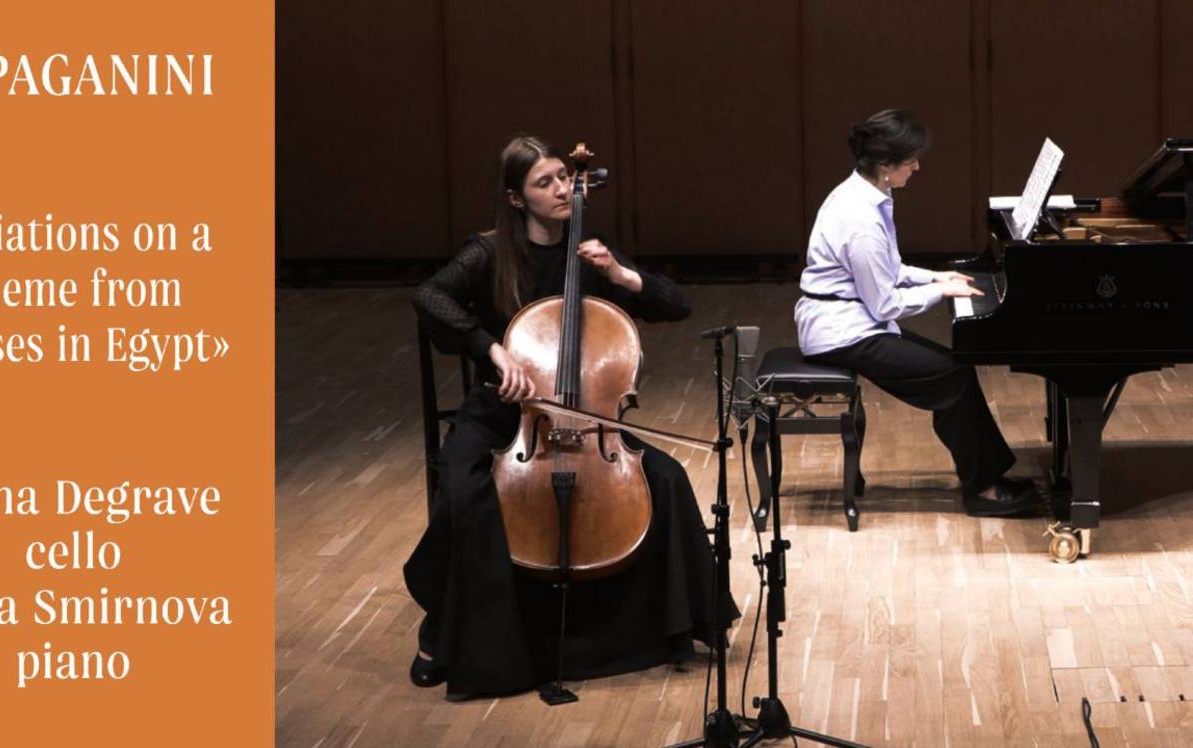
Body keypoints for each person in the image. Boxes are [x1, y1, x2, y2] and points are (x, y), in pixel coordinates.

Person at [405, 135, 735, 698]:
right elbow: (429, 297)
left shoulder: (589, 253)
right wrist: (492, 349)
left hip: (587, 419)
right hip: (504, 414)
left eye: (564, 177)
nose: (562, 189)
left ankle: (676, 624)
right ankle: (440, 632)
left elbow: (676, 304)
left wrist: (620, 274)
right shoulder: (488, 254)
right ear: (517, 199)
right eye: (545, 182)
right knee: (463, 493)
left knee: (667, 478)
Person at [795, 109, 1038, 517]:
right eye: (911, 160)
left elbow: (889, 268)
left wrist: (937, 276)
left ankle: (987, 478)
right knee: (952, 375)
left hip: (855, 321)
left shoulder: (867, 195)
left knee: (955, 370)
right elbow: (885, 303)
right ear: (885, 166)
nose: (917, 166)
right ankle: (983, 490)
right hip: (841, 332)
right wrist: (939, 291)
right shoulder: (859, 218)